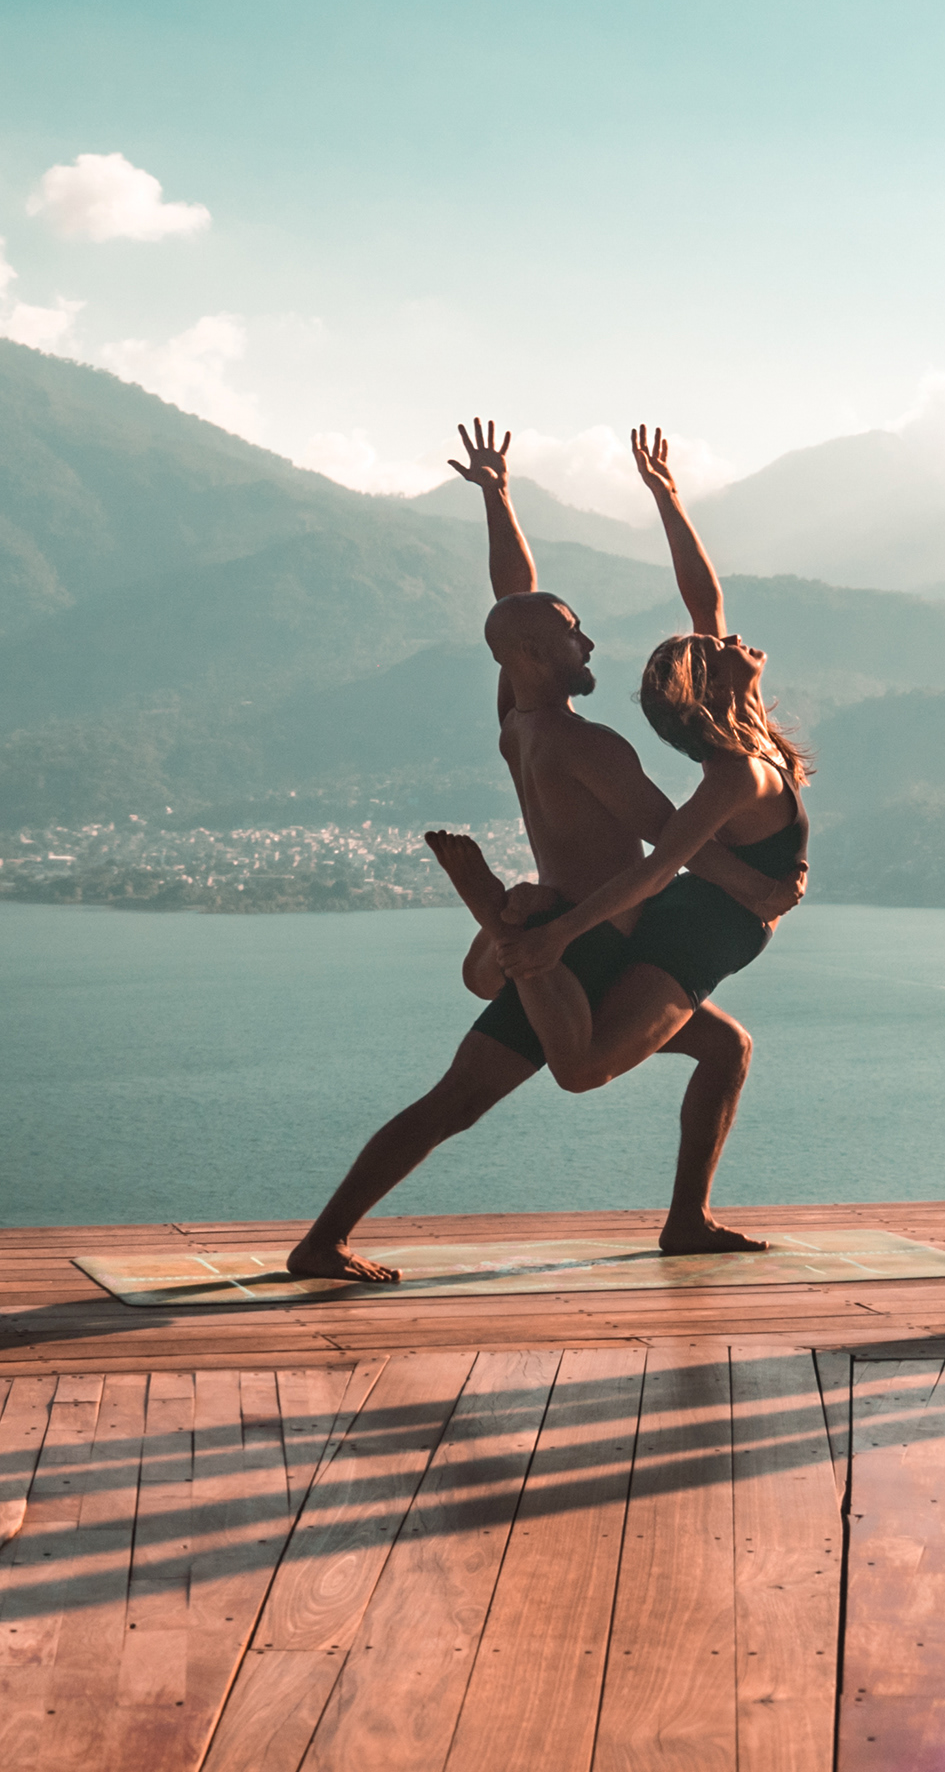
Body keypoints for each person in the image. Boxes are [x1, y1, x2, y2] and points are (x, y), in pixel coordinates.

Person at [277, 421, 800, 1285]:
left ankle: (324, 1239)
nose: (588, 644)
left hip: (562, 926)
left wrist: (499, 499)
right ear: (530, 653)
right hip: (591, 943)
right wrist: (757, 884)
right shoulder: (590, 746)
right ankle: (683, 1219)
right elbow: (678, 849)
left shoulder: (516, 724)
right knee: (626, 1065)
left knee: (476, 1099)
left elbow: (514, 598)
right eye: (573, 634)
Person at [492, 428, 809, 1109]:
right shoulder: (734, 764)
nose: (731, 640)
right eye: (717, 649)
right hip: (705, 923)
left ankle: (529, 939)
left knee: (721, 1047)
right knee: (580, 1063)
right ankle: (523, 938)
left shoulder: (745, 717)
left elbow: (706, 601)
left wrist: (667, 498)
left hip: (712, 915)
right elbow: (662, 861)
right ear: (713, 683)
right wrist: (559, 935)